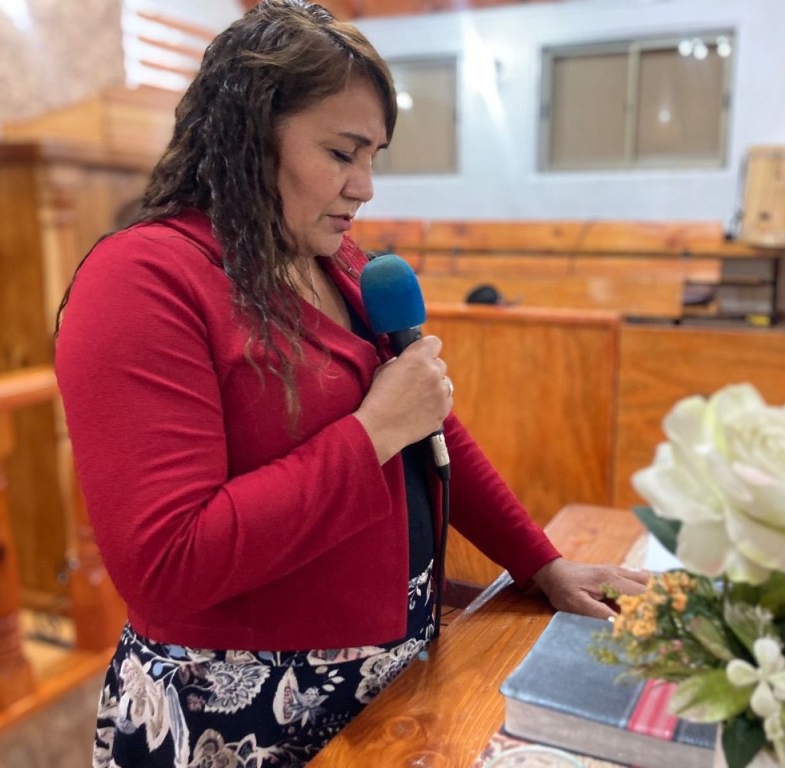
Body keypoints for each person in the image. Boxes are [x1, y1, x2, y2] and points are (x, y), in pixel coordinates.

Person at [54, 2, 648, 765]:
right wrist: (373, 431)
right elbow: (167, 560)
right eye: (341, 153)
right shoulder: (142, 280)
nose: (365, 186)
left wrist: (541, 564)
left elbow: (431, 430)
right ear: (248, 134)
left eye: (374, 156)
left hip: (389, 680)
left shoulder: (340, 262)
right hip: (232, 712)